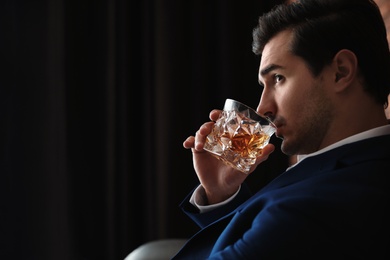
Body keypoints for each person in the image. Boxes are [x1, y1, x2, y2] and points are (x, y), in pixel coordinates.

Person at [175, 0, 390, 259]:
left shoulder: (317, 205)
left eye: (278, 78)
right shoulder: (348, 171)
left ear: (341, 71)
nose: (262, 107)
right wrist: (220, 194)